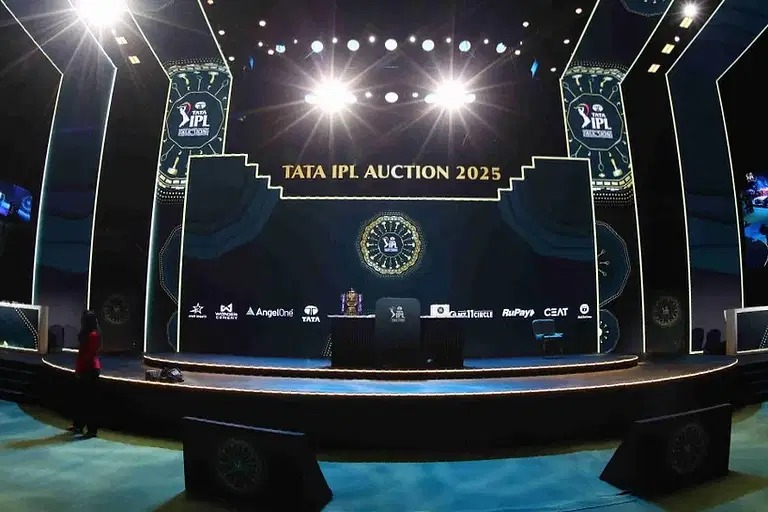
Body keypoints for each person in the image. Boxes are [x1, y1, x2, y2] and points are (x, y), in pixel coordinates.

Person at [67, 310, 102, 437]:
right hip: (84, 368)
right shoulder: (86, 334)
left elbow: (89, 355)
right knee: (80, 400)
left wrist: (80, 369)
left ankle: (92, 430)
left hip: (90, 370)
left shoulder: (93, 335)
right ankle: (78, 425)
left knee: (89, 402)